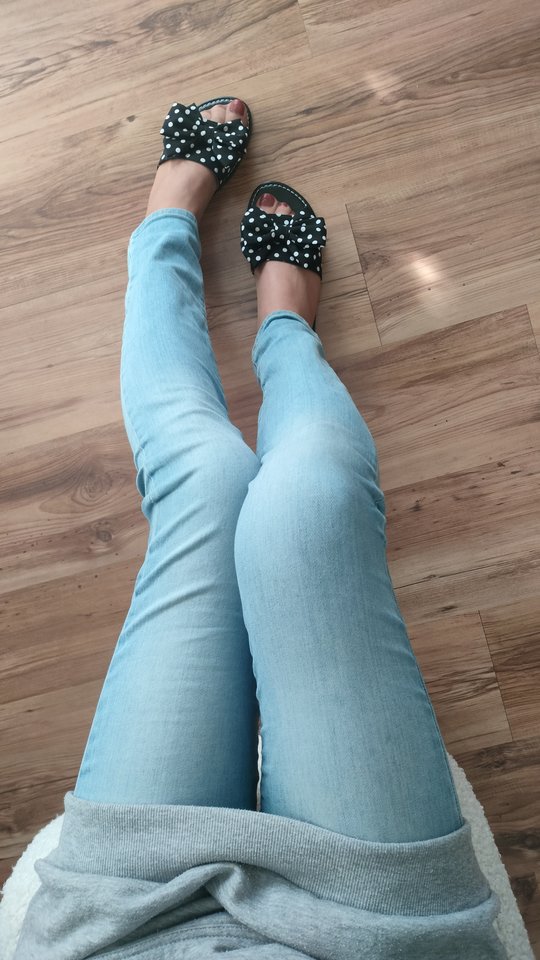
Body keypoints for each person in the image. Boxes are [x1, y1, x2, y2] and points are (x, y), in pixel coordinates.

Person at [12, 96, 508, 960]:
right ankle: (285, 330)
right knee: (315, 493)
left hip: (125, 925)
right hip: (378, 929)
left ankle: (168, 220)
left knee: (208, 478)